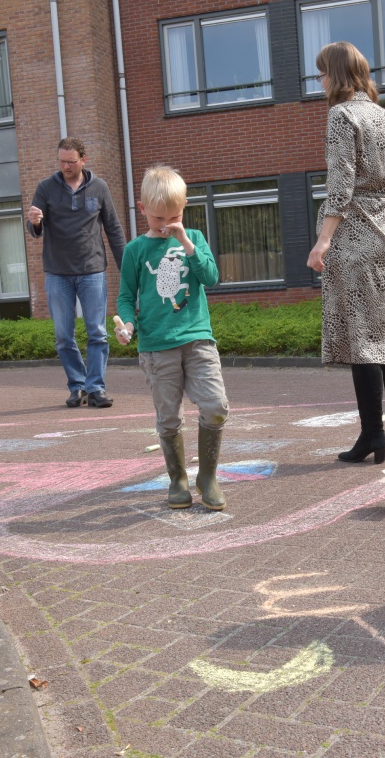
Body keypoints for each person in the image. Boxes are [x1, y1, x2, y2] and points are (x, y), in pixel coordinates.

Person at [306, 41, 385, 465]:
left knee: (362, 338)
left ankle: (372, 435)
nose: (320, 81)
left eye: (322, 73)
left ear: (335, 74)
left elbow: (341, 183)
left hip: (354, 235)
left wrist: (324, 240)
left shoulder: (341, 115)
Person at [113, 166, 229, 511]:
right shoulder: (135, 250)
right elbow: (125, 297)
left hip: (197, 338)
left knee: (216, 407)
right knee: (168, 419)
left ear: (184, 207)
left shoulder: (193, 237)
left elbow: (210, 277)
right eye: (158, 218)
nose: (166, 225)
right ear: (142, 209)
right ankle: (177, 479)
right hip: (156, 346)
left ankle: (207, 477)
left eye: (174, 217)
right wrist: (128, 326)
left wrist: (186, 242)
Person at [27, 137, 126, 408]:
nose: (65, 166)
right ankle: (77, 386)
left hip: (92, 270)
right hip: (57, 272)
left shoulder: (99, 187)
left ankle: (96, 388)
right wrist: (34, 222)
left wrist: (127, 269)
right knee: (63, 336)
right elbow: (35, 230)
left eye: (71, 162)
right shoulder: (46, 188)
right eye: (61, 161)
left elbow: (114, 229)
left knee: (97, 332)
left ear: (83, 159)